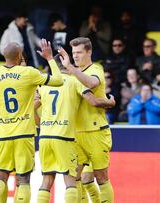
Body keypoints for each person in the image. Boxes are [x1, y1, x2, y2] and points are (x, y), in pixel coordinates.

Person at [0, 39, 63, 202]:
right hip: (24, 134)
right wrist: (50, 58)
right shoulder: (29, 73)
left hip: (2, 135)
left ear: (4, 56)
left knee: (0, 176)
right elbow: (58, 80)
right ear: (20, 56)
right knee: (23, 179)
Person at [34, 54, 115, 203]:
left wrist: (40, 122)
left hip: (45, 137)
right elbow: (94, 102)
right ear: (67, 64)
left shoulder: (43, 85)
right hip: (65, 137)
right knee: (71, 180)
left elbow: (32, 109)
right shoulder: (74, 82)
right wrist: (110, 102)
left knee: (47, 180)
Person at [58, 37, 114, 203]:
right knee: (74, 177)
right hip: (76, 133)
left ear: (89, 52)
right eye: (73, 53)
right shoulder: (72, 73)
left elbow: (91, 83)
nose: (75, 56)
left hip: (96, 132)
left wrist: (69, 68)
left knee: (101, 176)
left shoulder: (95, 69)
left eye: (79, 52)